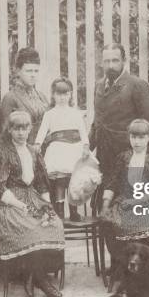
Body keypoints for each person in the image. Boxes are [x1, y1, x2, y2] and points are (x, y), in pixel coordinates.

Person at [0, 111, 65, 297]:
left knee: (53, 224)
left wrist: (48, 205)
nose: (21, 133)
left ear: (30, 129)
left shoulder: (34, 151)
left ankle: (32, 276)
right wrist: (18, 204)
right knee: (30, 228)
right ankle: (39, 279)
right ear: (9, 130)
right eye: (16, 128)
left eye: (24, 128)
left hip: (33, 197)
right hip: (9, 201)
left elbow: (41, 182)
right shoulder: (4, 153)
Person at [89, 43, 149, 261]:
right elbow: (97, 122)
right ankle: (118, 262)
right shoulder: (99, 86)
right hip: (105, 158)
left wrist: (145, 154)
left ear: (124, 61)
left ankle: (141, 263)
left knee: (135, 213)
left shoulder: (136, 85)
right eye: (106, 60)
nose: (110, 65)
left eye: (115, 60)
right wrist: (85, 148)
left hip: (130, 158)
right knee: (109, 212)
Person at [100, 119, 149, 249]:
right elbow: (112, 182)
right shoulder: (123, 157)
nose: (136, 142)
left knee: (146, 219)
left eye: (141, 138)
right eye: (133, 137)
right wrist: (105, 205)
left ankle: (145, 264)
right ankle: (120, 263)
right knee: (111, 221)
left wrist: (137, 201)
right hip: (126, 201)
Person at [34, 77, 90, 221]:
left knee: (73, 181)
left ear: (70, 94)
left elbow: (83, 132)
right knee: (60, 181)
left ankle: (73, 211)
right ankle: (59, 211)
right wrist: (38, 144)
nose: (62, 97)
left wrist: (85, 146)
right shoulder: (50, 114)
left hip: (74, 150)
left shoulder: (76, 113)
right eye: (59, 94)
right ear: (53, 95)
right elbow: (42, 131)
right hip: (58, 150)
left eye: (65, 94)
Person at [0, 47, 49, 144]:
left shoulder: (42, 97)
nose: (33, 75)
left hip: (44, 150)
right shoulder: (10, 98)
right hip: (22, 151)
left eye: (36, 71)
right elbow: (4, 133)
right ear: (18, 71)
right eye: (29, 71)